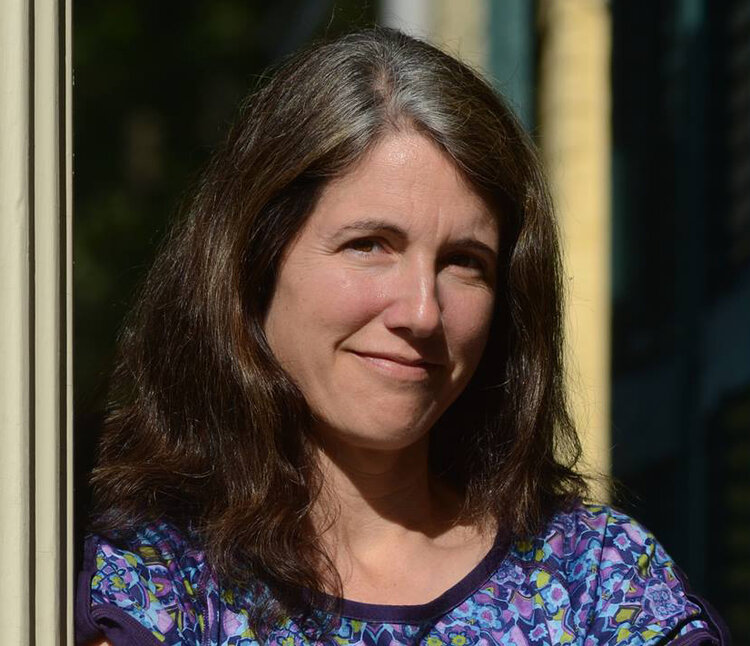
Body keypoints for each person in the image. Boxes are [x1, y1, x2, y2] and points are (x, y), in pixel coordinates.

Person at [75, 28, 728, 646]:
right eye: (370, 245)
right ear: (253, 262)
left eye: (464, 262)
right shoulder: (150, 575)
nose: (421, 311)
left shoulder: (599, 582)